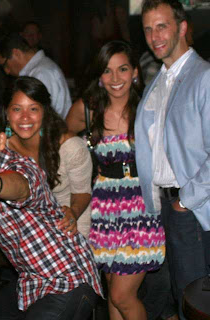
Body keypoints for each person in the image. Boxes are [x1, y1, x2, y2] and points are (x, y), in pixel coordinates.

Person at [0, 106, 102, 320]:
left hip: (68, 280)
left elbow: (20, 186)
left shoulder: (21, 166)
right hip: (32, 283)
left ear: (1, 141)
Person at [66, 40, 165, 320]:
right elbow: (57, 141)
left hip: (142, 206)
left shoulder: (149, 108)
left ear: (135, 71)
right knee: (112, 292)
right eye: (107, 71)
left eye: (122, 69)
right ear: (99, 76)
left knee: (123, 296)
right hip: (104, 207)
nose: (115, 78)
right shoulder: (87, 110)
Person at [135, 0, 210, 320]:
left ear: (182, 27)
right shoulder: (159, 81)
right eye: (148, 29)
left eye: (162, 26)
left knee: (194, 304)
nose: (154, 36)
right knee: (175, 301)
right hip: (163, 208)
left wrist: (185, 201)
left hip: (191, 209)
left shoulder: (203, 76)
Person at [4, 76, 92, 238]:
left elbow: (83, 193)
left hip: (69, 227)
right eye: (17, 109)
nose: (25, 117)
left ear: (44, 112)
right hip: (25, 234)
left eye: (33, 109)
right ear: (7, 113)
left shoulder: (69, 147)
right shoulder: (2, 147)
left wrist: (73, 212)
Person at [0, 32, 72, 119]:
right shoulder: (41, 68)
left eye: (5, 65)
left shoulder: (41, 73)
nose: (6, 71)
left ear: (16, 53)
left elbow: (42, 116)